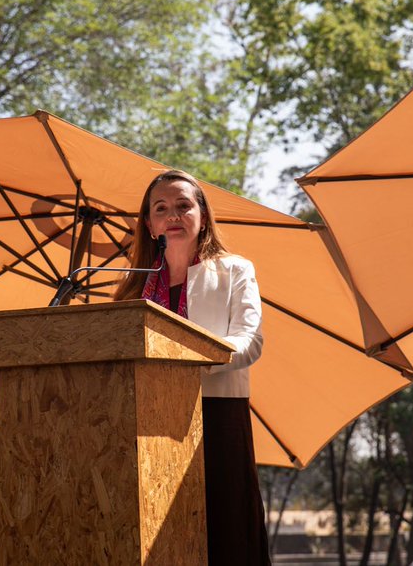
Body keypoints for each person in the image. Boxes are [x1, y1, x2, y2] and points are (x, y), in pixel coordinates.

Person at [114, 169, 270, 565]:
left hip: (217, 415)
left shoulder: (235, 270)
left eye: (184, 206)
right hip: (146, 422)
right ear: (149, 225)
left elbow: (249, 342)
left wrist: (184, 366)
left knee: (225, 533)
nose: (173, 215)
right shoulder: (134, 285)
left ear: (202, 216)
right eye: (161, 208)